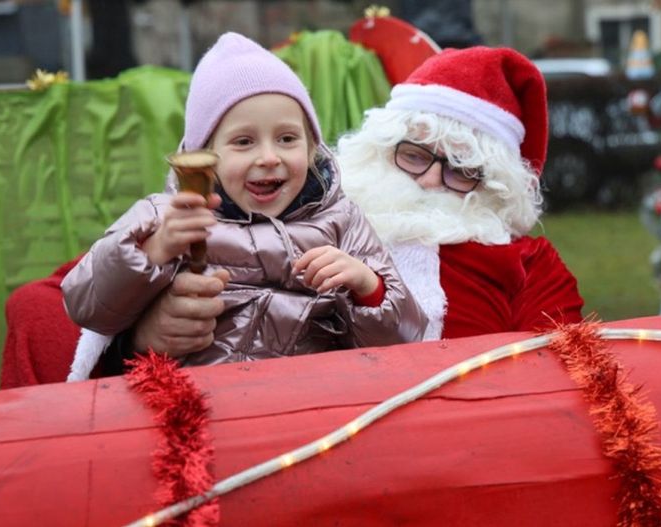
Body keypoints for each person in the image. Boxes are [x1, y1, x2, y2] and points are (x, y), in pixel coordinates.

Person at [130, 44, 583, 353]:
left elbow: (560, 377)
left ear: (496, 186)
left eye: (462, 170)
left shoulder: (530, 264)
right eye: (413, 156)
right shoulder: (311, 212)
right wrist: (143, 330)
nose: (429, 181)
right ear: (380, 150)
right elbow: (86, 294)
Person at [61, 33, 426, 377]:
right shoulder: (169, 217)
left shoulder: (341, 219)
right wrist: (155, 250)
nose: (269, 157)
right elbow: (86, 305)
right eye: (243, 141)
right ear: (203, 153)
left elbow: (409, 339)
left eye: (287, 138)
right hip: (200, 401)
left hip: (314, 397)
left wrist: (368, 288)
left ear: (312, 146)